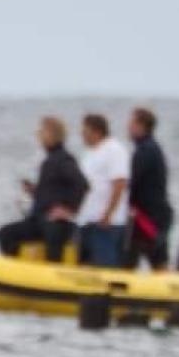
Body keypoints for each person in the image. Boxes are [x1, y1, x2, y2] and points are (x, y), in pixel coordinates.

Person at [0, 116, 88, 263]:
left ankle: (53, 275)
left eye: (42, 132)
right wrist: (33, 190)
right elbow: (51, 192)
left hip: (55, 223)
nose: (39, 135)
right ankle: (18, 269)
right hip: (37, 219)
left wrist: (69, 210)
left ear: (52, 134)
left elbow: (82, 184)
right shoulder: (49, 160)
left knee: (53, 255)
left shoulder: (64, 159)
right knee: (5, 233)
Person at [75, 113, 130, 267]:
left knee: (105, 265)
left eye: (85, 131)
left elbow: (119, 183)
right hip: (87, 220)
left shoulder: (114, 149)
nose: (82, 135)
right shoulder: (90, 153)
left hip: (106, 223)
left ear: (97, 131)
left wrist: (108, 214)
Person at [125, 107, 176, 270]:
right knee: (156, 260)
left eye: (131, 123)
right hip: (154, 215)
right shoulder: (151, 148)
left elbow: (132, 183)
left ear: (141, 126)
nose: (128, 127)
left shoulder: (146, 151)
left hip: (149, 218)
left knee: (139, 260)